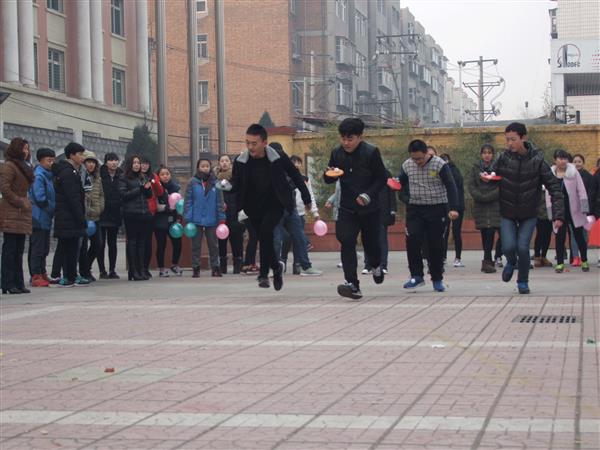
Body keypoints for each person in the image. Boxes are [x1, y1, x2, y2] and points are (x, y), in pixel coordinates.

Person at [229, 124, 311, 290]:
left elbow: (295, 175)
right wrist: (227, 186)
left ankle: (263, 274)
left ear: (264, 142)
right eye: (247, 143)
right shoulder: (240, 161)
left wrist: (306, 196)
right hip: (253, 206)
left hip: (276, 203)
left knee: (266, 233)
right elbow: (236, 184)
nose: (250, 147)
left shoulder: (278, 157)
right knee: (264, 238)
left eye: (254, 143)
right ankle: (276, 267)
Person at [492, 122, 564, 294]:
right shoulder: (503, 158)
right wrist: (487, 178)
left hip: (529, 213)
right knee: (508, 247)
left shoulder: (537, 161)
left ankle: (523, 281)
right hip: (507, 212)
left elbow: (555, 188)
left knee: (523, 248)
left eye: (513, 139)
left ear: (523, 138)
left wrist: (558, 215)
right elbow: (492, 175)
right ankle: (511, 262)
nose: (510, 143)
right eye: (507, 140)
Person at [323, 118, 387, 299]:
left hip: (369, 208)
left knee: (372, 245)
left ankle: (376, 265)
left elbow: (382, 178)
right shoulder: (337, 153)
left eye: (350, 139)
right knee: (347, 241)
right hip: (347, 208)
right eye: (343, 138)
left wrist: (368, 195)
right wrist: (328, 174)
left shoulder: (371, 152)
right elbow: (329, 177)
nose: (346, 143)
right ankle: (352, 284)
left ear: (360, 136)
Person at [397, 139, 459, 292]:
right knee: (412, 240)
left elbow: (451, 185)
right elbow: (400, 184)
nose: (417, 162)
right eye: (414, 158)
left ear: (426, 153)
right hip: (415, 209)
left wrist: (454, 208)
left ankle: (437, 278)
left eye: (420, 158)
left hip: (437, 208)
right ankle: (416, 276)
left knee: (435, 244)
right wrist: (401, 192)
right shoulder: (407, 165)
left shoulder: (439, 164)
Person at [272, 149, 322, 277]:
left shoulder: (293, 173)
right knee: (277, 239)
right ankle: (275, 266)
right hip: (275, 210)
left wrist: (308, 202)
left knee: (299, 237)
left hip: (291, 209)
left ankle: (306, 266)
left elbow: (302, 186)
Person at [52, 142, 89, 287]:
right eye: (79, 154)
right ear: (71, 155)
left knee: (71, 247)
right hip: (68, 217)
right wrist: (80, 217)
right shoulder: (67, 172)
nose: (82, 157)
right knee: (69, 248)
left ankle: (71, 275)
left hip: (69, 217)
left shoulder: (73, 171)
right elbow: (72, 198)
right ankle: (68, 276)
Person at [546, 149, 590, 273]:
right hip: (559, 211)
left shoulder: (573, 172)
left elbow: (581, 190)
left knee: (579, 236)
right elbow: (548, 195)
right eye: (560, 158)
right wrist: (551, 213)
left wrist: (584, 207)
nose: (563, 161)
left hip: (574, 210)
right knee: (559, 237)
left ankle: (584, 260)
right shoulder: (551, 175)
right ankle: (560, 263)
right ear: (555, 160)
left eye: (565, 158)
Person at [0, 137, 34, 294]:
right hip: (11, 210)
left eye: (27, 149)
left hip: (22, 211)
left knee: (19, 249)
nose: (26, 151)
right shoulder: (9, 166)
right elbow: (5, 188)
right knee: (10, 249)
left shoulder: (24, 166)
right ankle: (7, 283)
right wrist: (19, 201)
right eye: (23, 148)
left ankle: (19, 282)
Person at [184, 158, 225, 278]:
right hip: (196, 218)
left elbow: (220, 201)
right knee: (196, 245)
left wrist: (221, 217)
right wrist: (188, 217)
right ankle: (196, 268)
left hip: (212, 218)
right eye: (202, 166)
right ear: (198, 168)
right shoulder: (192, 182)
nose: (205, 168)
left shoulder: (215, 182)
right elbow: (188, 201)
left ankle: (215, 267)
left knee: (213, 245)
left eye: (207, 166)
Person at [467, 144, 501, 273]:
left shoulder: (498, 167)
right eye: (485, 152)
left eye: (489, 152)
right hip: (480, 205)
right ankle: (487, 260)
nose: (487, 155)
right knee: (485, 232)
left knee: (494, 231)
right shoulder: (476, 168)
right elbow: (471, 185)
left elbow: (501, 184)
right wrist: (480, 196)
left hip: (495, 205)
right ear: (481, 154)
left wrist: (490, 195)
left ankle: (496, 256)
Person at [119, 154, 153, 281]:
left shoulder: (143, 177)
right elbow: (124, 195)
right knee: (133, 242)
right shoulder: (124, 178)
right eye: (134, 163)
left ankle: (141, 268)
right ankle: (133, 270)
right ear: (130, 164)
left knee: (142, 242)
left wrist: (147, 188)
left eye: (138, 162)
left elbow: (148, 196)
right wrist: (140, 189)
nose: (137, 165)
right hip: (131, 213)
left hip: (144, 213)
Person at [28, 148, 56, 287]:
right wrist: (52, 207)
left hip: (46, 217)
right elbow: (40, 198)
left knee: (44, 247)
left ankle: (42, 272)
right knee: (38, 247)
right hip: (38, 216)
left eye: (52, 160)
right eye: (48, 160)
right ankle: (35, 274)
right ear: (40, 161)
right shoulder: (39, 176)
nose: (51, 163)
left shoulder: (49, 175)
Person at [363, 169, 397, 275]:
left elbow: (392, 193)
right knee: (368, 239)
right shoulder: (365, 173)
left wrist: (392, 210)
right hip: (368, 211)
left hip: (383, 212)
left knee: (382, 239)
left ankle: (383, 265)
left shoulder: (386, 173)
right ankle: (368, 265)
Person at [215, 154, 244, 274]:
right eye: (222, 161)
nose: (224, 163)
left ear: (230, 163)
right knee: (221, 241)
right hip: (221, 215)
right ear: (219, 163)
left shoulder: (236, 177)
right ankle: (223, 266)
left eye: (227, 161)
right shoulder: (215, 180)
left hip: (235, 213)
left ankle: (238, 264)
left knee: (237, 240)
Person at [78, 151, 104, 282]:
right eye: (88, 162)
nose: (91, 165)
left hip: (96, 216)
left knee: (98, 244)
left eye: (93, 162)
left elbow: (101, 195)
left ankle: (86, 267)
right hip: (84, 216)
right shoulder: (81, 176)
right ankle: (84, 271)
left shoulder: (98, 178)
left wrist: (100, 208)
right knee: (82, 245)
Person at [155, 165, 183, 277]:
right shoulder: (155, 188)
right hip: (160, 220)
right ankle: (161, 268)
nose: (165, 176)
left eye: (167, 174)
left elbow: (180, 203)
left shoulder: (176, 187)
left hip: (173, 220)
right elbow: (155, 206)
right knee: (161, 245)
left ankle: (174, 264)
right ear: (158, 176)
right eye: (162, 174)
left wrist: (179, 216)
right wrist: (166, 208)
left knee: (178, 243)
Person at [98, 153, 122, 279]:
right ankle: (102, 270)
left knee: (113, 243)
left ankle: (112, 269)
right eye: (110, 160)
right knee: (100, 243)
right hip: (102, 213)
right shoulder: (100, 174)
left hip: (115, 213)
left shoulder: (121, 175)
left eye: (115, 160)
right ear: (106, 162)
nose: (113, 162)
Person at [440, 153, 465, 268]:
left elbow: (457, 183)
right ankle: (443, 257)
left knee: (456, 232)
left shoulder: (455, 170)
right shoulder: (438, 171)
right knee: (444, 232)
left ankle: (457, 258)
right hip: (444, 204)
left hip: (457, 205)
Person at [141, 157, 164, 278]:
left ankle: (145, 267)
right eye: (141, 163)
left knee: (148, 241)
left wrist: (154, 181)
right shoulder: (134, 177)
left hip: (150, 212)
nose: (144, 166)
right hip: (137, 212)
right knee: (138, 241)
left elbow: (160, 192)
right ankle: (138, 267)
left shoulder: (153, 176)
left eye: (146, 163)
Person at [570, 154, 594, 266]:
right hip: (572, 210)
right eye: (575, 162)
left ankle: (584, 257)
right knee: (573, 234)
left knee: (583, 235)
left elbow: (590, 193)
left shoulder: (588, 177)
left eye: (579, 161)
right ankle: (575, 257)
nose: (577, 164)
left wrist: (588, 209)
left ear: (583, 163)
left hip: (584, 210)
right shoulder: (569, 176)